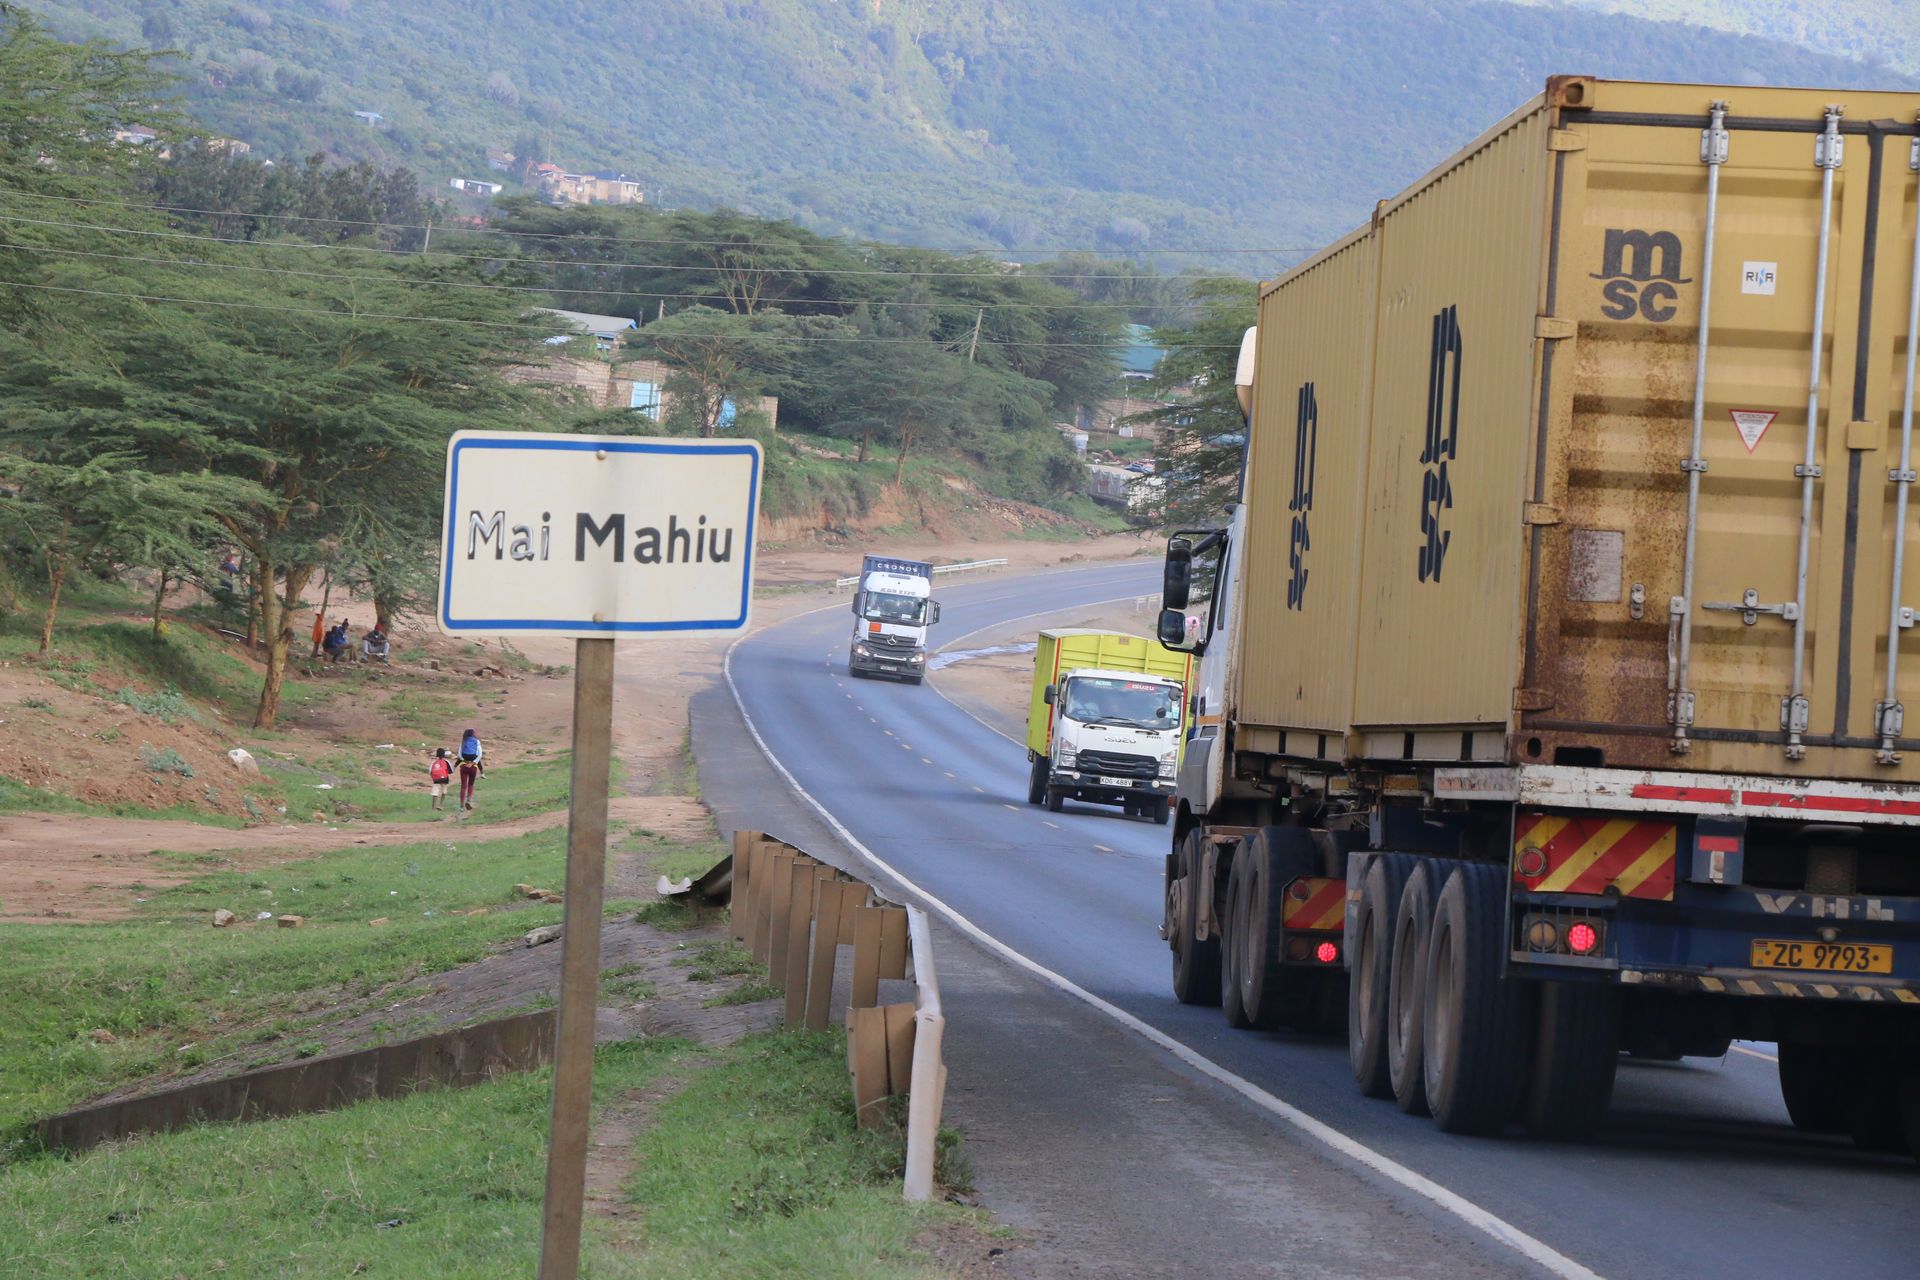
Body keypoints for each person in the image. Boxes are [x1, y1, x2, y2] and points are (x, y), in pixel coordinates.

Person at [456, 728, 484, 811]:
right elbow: (479, 755)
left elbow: (459, 755)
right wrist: (472, 763)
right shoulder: (477, 742)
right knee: (471, 784)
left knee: (463, 786)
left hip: (464, 766)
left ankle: (461, 806)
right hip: (473, 767)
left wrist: (466, 762)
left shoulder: (463, 742)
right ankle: (468, 800)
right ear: (473, 734)